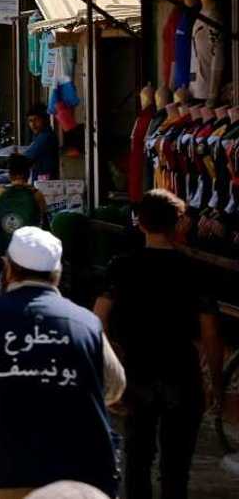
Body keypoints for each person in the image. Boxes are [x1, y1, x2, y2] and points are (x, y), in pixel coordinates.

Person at [0, 227, 125, 498]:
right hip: (78, 477)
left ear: (8, 268)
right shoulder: (85, 322)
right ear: (57, 274)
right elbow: (114, 387)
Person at [93, 190, 223, 499]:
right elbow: (211, 333)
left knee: (137, 460)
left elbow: (97, 321)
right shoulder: (194, 269)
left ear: (140, 225)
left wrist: (111, 367)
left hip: (137, 369)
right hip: (182, 370)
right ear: (178, 224)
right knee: (176, 468)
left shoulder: (121, 267)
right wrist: (215, 382)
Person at [0, 153, 48, 247]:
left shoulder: (0, 192)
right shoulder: (36, 194)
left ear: (10, 174)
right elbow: (45, 221)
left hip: (6, 248)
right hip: (29, 247)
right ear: (28, 173)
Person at [24, 103, 59, 181]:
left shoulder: (45, 137)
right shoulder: (37, 136)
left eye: (36, 119)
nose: (33, 124)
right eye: (30, 121)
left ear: (44, 120)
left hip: (46, 182)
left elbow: (26, 158)